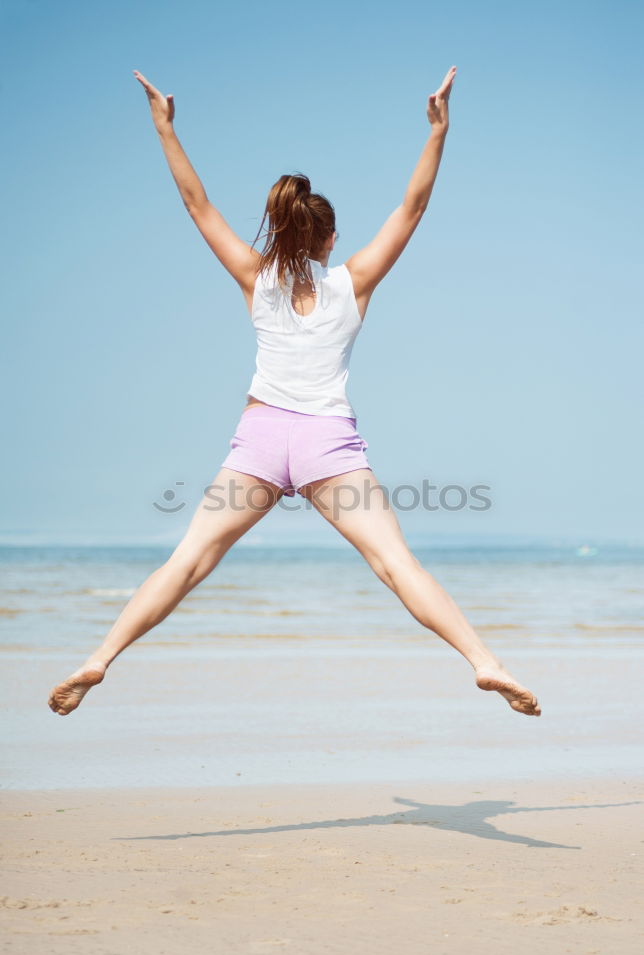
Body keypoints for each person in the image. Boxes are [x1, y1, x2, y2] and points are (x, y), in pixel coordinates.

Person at [48, 66, 541, 718]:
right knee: (396, 565)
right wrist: (437, 131)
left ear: (281, 233)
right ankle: (484, 661)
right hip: (326, 444)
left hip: (259, 439)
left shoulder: (256, 278)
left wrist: (164, 126)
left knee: (188, 563)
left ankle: (100, 657)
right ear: (330, 240)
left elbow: (198, 206)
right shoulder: (353, 280)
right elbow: (413, 207)